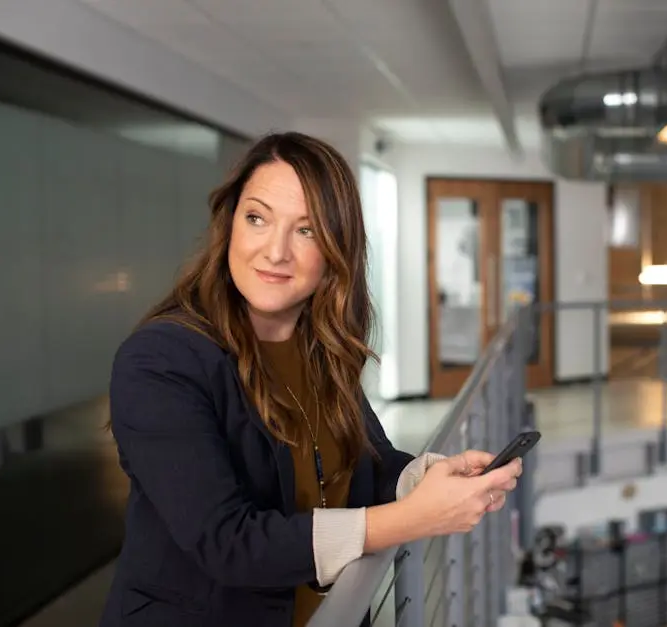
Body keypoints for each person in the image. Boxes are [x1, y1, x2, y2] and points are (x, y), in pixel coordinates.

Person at [99, 131, 523, 627]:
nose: (275, 251)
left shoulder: (320, 346)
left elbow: (369, 462)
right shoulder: (161, 361)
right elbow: (228, 543)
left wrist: (427, 480)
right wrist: (412, 518)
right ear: (230, 225)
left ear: (335, 250)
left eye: (306, 230)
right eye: (257, 218)